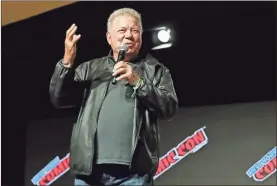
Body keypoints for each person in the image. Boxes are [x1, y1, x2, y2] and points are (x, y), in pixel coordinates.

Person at [49, 7, 178, 186]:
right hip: (89, 174)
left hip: (133, 175)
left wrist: (137, 81)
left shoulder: (156, 70)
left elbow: (169, 108)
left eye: (134, 31)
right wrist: (66, 63)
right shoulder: (90, 69)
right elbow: (59, 98)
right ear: (109, 38)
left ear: (140, 36)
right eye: (122, 30)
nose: (129, 36)